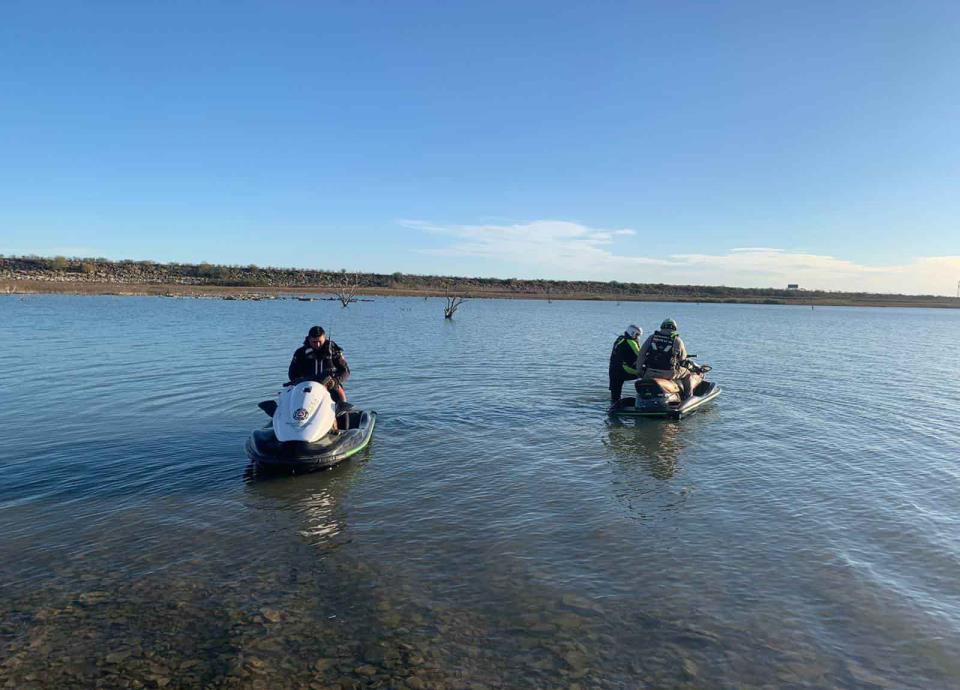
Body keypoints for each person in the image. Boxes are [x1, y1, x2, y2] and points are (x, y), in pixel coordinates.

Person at [637, 318, 700, 398]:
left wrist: (639, 371)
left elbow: (641, 355)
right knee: (687, 373)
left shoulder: (651, 338)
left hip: (650, 372)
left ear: (662, 327)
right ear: (674, 328)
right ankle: (688, 396)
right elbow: (682, 358)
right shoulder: (677, 340)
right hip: (668, 373)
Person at [288, 326, 351, 403]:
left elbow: (345, 371)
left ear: (324, 338)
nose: (317, 344)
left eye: (320, 341)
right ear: (309, 339)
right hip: (307, 387)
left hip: (330, 385)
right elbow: (292, 374)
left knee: (340, 398)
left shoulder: (333, 351)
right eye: (314, 342)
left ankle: (343, 408)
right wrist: (301, 381)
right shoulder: (300, 353)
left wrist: (335, 381)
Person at [608, 325, 644, 403]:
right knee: (647, 374)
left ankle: (614, 405)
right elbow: (640, 355)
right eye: (637, 335)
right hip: (624, 370)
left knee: (615, 397)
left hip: (613, 370)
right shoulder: (631, 342)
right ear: (632, 333)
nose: (638, 337)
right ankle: (646, 397)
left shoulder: (620, 339)